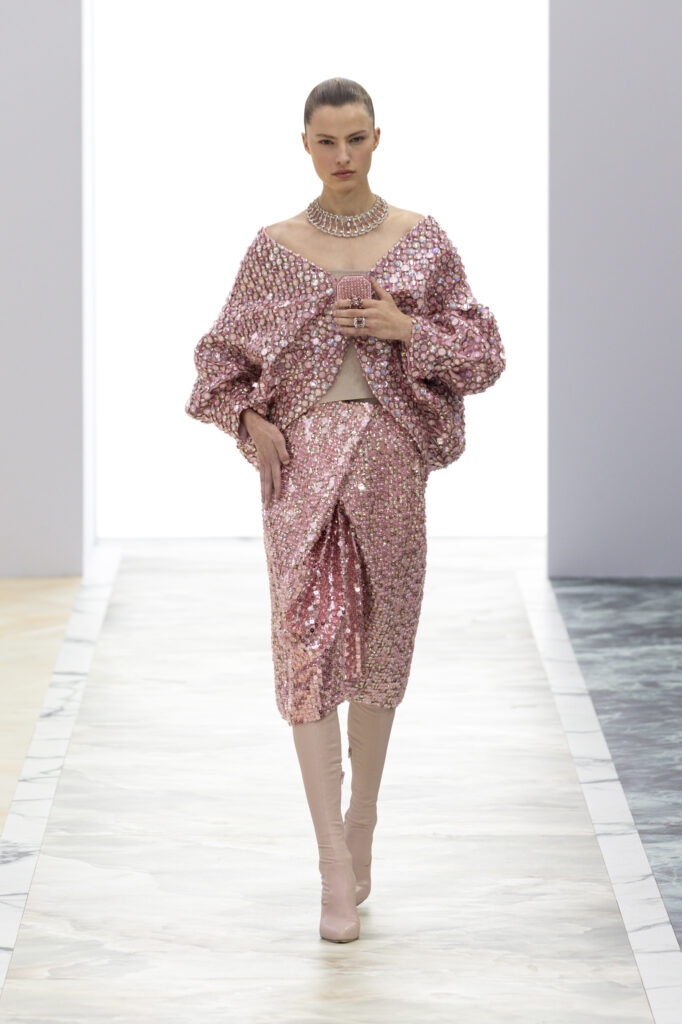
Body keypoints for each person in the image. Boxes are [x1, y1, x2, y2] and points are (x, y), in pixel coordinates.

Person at [185, 77, 506, 943]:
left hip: (392, 460)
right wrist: (249, 422)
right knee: (308, 642)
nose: (342, 155)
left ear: (377, 139)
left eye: (355, 138)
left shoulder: (421, 242)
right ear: (304, 144)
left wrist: (407, 331)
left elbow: (483, 355)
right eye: (326, 141)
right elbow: (217, 365)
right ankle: (332, 860)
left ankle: (362, 821)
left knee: (382, 643)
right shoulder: (275, 249)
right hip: (300, 468)